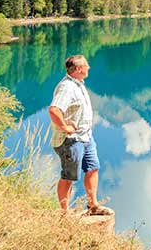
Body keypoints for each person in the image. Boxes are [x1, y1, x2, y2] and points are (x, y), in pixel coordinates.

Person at [48, 54, 114, 216]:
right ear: (78, 69)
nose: (89, 67)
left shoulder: (78, 84)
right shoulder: (67, 87)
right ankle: (64, 213)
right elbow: (54, 110)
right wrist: (65, 127)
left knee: (93, 168)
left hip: (85, 137)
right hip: (71, 140)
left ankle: (93, 205)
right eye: (86, 65)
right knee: (69, 176)